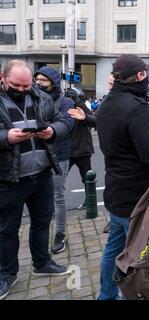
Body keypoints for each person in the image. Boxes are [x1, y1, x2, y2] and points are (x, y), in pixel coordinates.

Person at [0, 60, 71, 300]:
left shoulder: (41, 96)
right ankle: (7, 274)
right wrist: (6, 138)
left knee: (42, 222)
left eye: (26, 85)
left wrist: (52, 131)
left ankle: (42, 262)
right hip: (8, 179)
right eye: (15, 85)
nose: (21, 90)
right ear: (3, 77)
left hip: (41, 174)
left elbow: (62, 121)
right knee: (7, 230)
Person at [96, 54, 149, 300]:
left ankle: (106, 295)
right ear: (141, 76)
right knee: (137, 258)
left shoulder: (108, 103)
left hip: (116, 193)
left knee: (113, 251)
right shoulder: (136, 108)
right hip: (138, 198)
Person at [34, 67, 76, 255]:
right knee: (37, 199)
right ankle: (39, 235)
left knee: (58, 196)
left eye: (44, 80)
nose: (39, 83)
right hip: (35, 155)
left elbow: (67, 124)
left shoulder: (65, 101)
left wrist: (51, 130)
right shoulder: (31, 98)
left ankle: (60, 234)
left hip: (59, 156)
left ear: (53, 82)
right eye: (37, 80)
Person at [64, 88, 96, 212]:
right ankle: (55, 204)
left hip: (82, 149)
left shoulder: (82, 106)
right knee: (59, 178)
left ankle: (90, 202)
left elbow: (91, 118)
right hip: (67, 149)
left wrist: (77, 101)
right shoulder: (63, 105)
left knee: (87, 178)